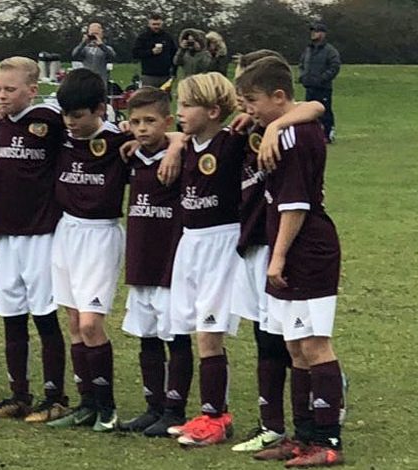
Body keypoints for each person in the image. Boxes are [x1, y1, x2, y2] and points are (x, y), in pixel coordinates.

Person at [238, 56, 345, 468]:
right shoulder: (279, 129)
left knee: (315, 344)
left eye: (252, 101)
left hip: (307, 249)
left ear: (279, 97)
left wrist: (277, 257)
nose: (247, 109)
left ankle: (328, 439)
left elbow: (295, 205)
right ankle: (303, 436)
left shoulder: (293, 138)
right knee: (294, 345)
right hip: (291, 248)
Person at [0, 57, 70, 423]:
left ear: (32, 91)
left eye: (10, 90)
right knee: (11, 314)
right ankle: (19, 393)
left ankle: (55, 396)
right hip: (6, 233)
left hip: (41, 233)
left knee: (44, 315)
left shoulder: (49, 122)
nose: (2, 97)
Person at [44, 68, 131, 433]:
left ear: (100, 109)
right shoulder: (60, 135)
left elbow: (164, 137)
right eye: (65, 115)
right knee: (74, 322)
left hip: (100, 234)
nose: (70, 123)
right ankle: (86, 404)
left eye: (77, 116)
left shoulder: (118, 142)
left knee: (92, 322)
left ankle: (107, 407)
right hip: (66, 231)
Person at [166, 72, 244, 446]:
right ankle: (205, 412)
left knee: (209, 335)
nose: (179, 112)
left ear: (214, 111)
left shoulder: (231, 142)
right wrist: (175, 143)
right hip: (190, 242)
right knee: (186, 327)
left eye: (187, 105)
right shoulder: (188, 144)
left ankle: (216, 416)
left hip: (221, 243)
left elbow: (312, 109)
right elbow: (165, 135)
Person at [118, 87, 193, 438]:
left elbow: (187, 135)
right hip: (140, 260)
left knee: (175, 336)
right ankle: (153, 405)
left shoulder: (180, 155)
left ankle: (174, 408)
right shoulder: (131, 156)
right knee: (146, 336)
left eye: (150, 121)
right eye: (135, 122)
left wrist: (176, 144)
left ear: (167, 120)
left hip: (170, 263)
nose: (142, 128)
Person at [298, 22, 340, 143]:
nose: (313, 34)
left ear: (322, 34)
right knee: (309, 112)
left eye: (316, 31)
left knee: (325, 111)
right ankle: (311, 135)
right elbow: (301, 64)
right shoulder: (308, 49)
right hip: (309, 86)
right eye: (312, 31)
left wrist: (322, 78)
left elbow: (335, 67)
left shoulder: (330, 51)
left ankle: (328, 134)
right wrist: (302, 76)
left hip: (323, 87)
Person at [132, 13, 178, 88]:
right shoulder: (143, 38)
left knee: (164, 98)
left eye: (158, 24)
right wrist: (151, 52)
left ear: (162, 24)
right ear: (149, 24)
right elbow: (135, 53)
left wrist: (174, 72)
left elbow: (174, 55)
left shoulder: (167, 37)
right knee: (148, 98)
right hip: (149, 76)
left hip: (165, 76)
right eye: (154, 24)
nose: (156, 26)